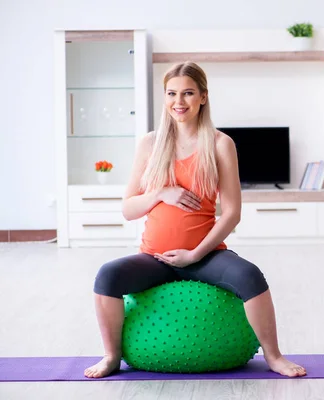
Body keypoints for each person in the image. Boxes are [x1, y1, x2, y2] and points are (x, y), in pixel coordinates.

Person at [83, 61, 307, 379]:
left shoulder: (219, 144)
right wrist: (161, 192)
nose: (179, 101)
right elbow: (129, 209)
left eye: (188, 93)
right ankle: (110, 356)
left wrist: (195, 255)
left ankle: (274, 356)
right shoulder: (150, 144)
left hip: (205, 256)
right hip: (154, 257)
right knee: (107, 276)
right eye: (172, 93)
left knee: (251, 277)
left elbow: (232, 213)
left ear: (203, 96)